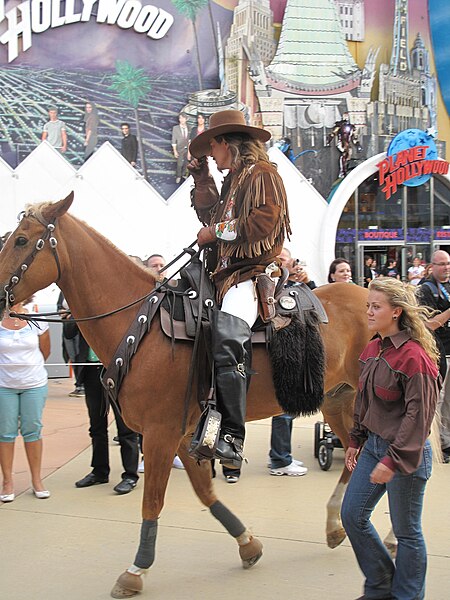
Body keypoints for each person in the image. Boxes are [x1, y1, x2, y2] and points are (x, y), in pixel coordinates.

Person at [188, 109, 290, 469]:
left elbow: (261, 224)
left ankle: (231, 435)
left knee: (228, 337)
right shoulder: (234, 180)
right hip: (226, 275)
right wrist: (202, 181)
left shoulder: (263, 174)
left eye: (212, 146)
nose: (210, 155)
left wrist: (215, 233)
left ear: (228, 143)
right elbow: (212, 217)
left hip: (251, 275)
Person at [341, 277, 440, 600]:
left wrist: (393, 460)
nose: (368, 311)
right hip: (373, 447)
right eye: (368, 305)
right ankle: (381, 585)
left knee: (407, 531)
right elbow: (364, 401)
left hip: (406, 455)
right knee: (351, 515)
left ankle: (407, 596)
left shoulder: (415, 357)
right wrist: (355, 440)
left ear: (396, 312)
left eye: (376, 306)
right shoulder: (372, 348)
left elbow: (419, 418)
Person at [62, 316, 140, 494]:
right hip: (91, 371)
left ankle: (130, 475)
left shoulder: (112, 308)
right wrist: (74, 314)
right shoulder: (82, 309)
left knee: (125, 427)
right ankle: (99, 471)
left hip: (116, 372)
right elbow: (68, 333)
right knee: (96, 426)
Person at [0, 300, 51, 502]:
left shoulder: (37, 319)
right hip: (4, 386)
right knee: (5, 432)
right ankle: (7, 482)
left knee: (33, 430)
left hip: (34, 384)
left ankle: (37, 480)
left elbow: (45, 351)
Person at [416, 250, 450, 462]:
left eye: (448, 264)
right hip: (438, 353)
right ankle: (434, 445)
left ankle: (447, 442)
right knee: (436, 400)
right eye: (441, 264)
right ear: (432, 266)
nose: (446, 267)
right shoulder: (425, 290)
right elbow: (427, 325)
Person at [57, 292, 84, 397]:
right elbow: (59, 308)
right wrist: (64, 313)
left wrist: (70, 314)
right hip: (67, 328)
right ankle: (78, 384)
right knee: (72, 356)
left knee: (79, 355)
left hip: (78, 328)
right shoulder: (62, 293)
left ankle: (82, 384)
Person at [172, 112, 191, 184]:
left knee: (186, 163)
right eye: (180, 118)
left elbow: (189, 140)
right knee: (179, 164)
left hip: (187, 149)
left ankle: (183, 174)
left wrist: (189, 151)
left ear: (186, 119)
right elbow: (174, 140)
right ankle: (178, 176)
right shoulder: (175, 128)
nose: (181, 120)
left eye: (183, 118)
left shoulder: (189, 127)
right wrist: (175, 151)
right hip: (179, 149)